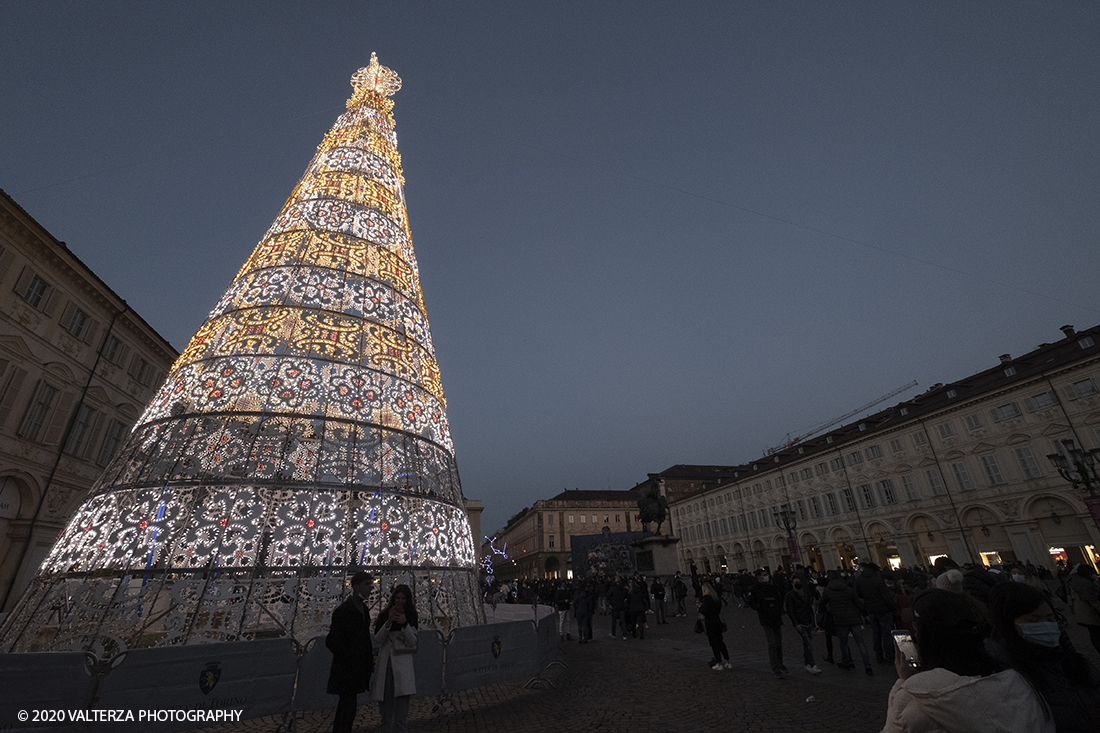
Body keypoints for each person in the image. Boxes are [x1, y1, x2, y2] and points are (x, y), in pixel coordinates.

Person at [882, 589, 1054, 733]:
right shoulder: (1018, 681)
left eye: (917, 627)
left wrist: (903, 681)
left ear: (928, 634)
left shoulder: (916, 696)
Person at [988, 581, 1100, 732]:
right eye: (1033, 620)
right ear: (1009, 624)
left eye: (1050, 618)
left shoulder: (1073, 661)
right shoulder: (1005, 674)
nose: (1045, 625)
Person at [326, 571, 375, 733]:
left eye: (371, 584)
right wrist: (349, 657)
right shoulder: (345, 610)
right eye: (367, 584)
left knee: (348, 706)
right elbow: (332, 641)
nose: (370, 588)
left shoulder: (363, 609)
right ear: (356, 587)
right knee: (348, 706)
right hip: (347, 668)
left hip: (356, 667)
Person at [370, 584, 419, 733]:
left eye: (403, 598)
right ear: (393, 599)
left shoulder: (411, 617)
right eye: (398, 598)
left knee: (401, 715)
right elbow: (378, 639)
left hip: (402, 667)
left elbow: (413, 642)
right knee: (385, 713)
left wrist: (404, 624)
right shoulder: (385, 616)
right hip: (386, 667)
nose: (400, 601)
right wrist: (389, 622)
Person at [820, 569, 873, 675]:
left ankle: (847, 662)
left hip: (840, 619)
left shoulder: (828, 590)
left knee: (843, 643)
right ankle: (867, 666)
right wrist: (863, 614)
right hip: (854, 618)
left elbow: (821, 605)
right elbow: (858, 603)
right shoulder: (848, 589)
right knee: (860, 643)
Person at [746, 569, 786, 678]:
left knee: (779, 642)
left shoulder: (772, 587)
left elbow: (779, 598)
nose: (766, 577)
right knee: (772, 643)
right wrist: (761, 607)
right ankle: (775, 668)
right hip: (766, 618)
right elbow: (751, 603)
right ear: (758, 577)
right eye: (764, 575)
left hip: (776, 617)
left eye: (766, 575)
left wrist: (778, 609)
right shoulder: (754, 589)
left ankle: (780, 663)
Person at [858, 562, 897, 664]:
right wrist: (892, 607)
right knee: (887, 633)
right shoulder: (877, 579)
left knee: (876, 633)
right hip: (883, 609)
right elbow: (886, 596)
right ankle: (890, 655)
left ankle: (878, 655)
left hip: (870, 609)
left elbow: (858, 594)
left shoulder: (860, 579)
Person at [785, 574, 822, 674]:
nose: (797, 584)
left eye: (799, 582)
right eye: (795, 583)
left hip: (807, 622)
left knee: (807, 643)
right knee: (808, 643)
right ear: (792, 584)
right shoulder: (790, 595)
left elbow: (809, 608)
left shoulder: (805, 594)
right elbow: (790, 611)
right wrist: (796, 624)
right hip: (800, 622)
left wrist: (813, 622)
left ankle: (807, 663)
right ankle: (812, 664)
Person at [1066, 562, 1100, 656]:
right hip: (1089, 612)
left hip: (1081, 613)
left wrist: (1071, 608)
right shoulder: (1085, 583)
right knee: (1096, 633)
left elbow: (1069, 596)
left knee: (1094, 633)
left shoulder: (1072, 580)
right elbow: (1092, 599)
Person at [699, 582, 730, 670]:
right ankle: (728, 661)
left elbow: (704, 611)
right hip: (717, 621)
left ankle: (719, 663)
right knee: (721, 642)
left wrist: (700, 607)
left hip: (710, 623)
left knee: (714, 643)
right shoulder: (716, 598)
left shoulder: (706, 599)